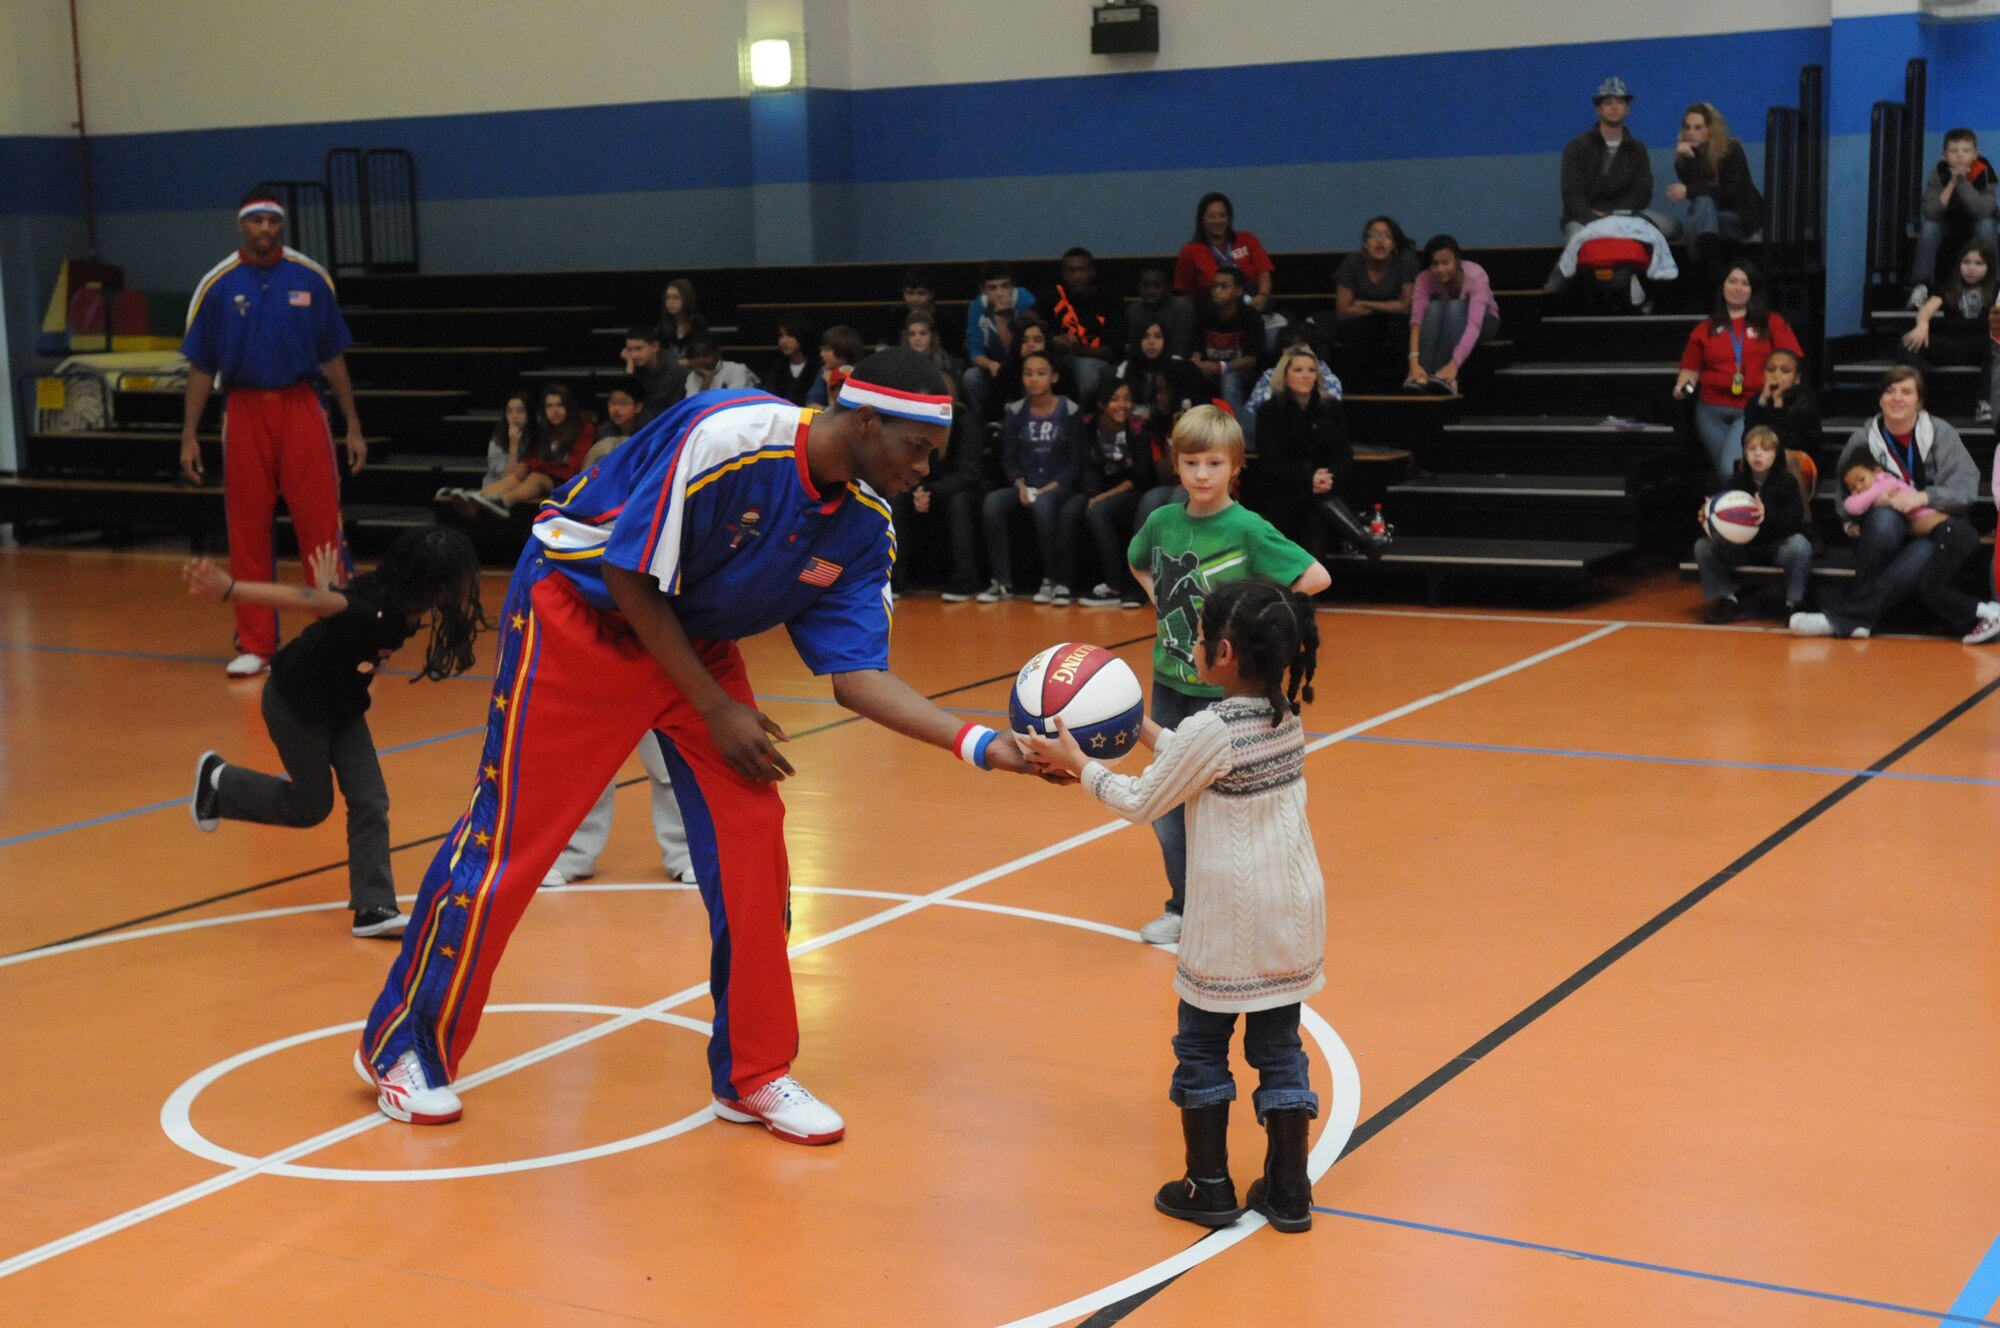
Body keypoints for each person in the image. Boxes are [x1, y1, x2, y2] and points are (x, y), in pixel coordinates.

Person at [357, 349, 1045, 1140]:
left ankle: (755, 1075)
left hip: (693, 642)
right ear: (864, 420)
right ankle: (402, 1049)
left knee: (753, 841)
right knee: (512, 839)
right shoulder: (731, 436)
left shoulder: (864, 523)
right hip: (581, 616)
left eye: (934, 455)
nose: (922, 470)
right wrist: (718, 709)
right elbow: (627, 576)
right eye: (916, 449)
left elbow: (858, 677)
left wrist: (988, 745)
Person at [1021, 576, 1325, 1235]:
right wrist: (1139, 729)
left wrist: (1079, 764)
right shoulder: (1282, 717)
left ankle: (1208, 1184)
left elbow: (1141, 800)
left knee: (1201, 1044)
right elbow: (1192, 758)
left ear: (1220, 652)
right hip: (1293, 916)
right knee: (1279, 1046)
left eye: (1194, 639)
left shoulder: (1211, 729)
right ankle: (1289, 1191)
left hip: (1231, 923)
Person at [184, 528, 486, 938]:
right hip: (297, 705)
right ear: (430, 583)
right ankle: (220, 782)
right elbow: (305, 600)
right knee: (311, 807)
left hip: (342, 707)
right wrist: (230, 589)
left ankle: (373, 908)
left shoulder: (401, 602)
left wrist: (329, 588)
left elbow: (333, 606)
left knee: (371, 800)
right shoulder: (373, 608)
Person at [1125, 404, 1332, 946]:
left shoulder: (1247, 528)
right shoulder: (1162, 521)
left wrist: (1252, 618)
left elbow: (1315, 576)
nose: (1200, 474)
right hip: (1171, 680)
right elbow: (1138, 560)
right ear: (1176, 462)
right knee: (1167, 803)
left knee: (1225, 807)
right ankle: (1183, 906)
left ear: (1235, 467)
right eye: (1191, 462)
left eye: (1214, 463)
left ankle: (1232, 908)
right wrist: (1162, 600)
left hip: (1225, 695)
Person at [179, 190, 367, 679]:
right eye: (256, 220)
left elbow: (333, 357)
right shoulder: (217, 285)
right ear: (241, 224)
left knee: (320, 525)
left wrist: (353, 425)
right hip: (242, 410)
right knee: (246, 527)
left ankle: (336, 637)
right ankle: (257, 644)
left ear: (280, 226)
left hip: (303, 406)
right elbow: (201, 366)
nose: (265, 229)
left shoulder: (311, 277)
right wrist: (188, 434)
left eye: (272, 221)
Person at [1791, 367, 1984, 641]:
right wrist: (1871, 504)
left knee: (1921, 552)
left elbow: (1965, 490)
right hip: (1881, 534)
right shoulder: (1862, 439)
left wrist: (1923, 497)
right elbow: (1843, 502)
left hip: (1931, 528)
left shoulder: (1942, 433)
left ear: (1919, 401)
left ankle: (1849, 619)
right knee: (1884, 518)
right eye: (1890, 391)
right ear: (1880, 400)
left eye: (1906, 392)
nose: (1897, 398)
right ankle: (1855, 618)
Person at [1248, 344, 1385, 560]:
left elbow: (1344, 456)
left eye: (1311, 370)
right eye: (1298, 370)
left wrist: (1328, 477)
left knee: (1315, 514)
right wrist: (1308, 478)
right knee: (1314, 507)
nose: (1306, 376)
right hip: (1286, 490)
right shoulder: (1270, 411)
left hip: (1326, 489)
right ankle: (1361, 537)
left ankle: (1310, 590)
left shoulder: (1331, 408)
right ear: (1284, 375)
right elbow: (1270, 463)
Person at [1674, 263, 1803, 482]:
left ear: (1753, 289)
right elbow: (1690, 370)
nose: (1737, 287)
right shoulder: (1705, 328)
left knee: (1731, 470)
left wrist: (1778, 387)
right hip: (1709, 411)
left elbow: (1791, 361)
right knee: (1731, 476)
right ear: (1723, 286)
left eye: (1745, 283)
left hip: (1751, 409)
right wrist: (1683, 388)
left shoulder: (1771, 322)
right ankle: (1741, 512)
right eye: (1732, 281)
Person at [978, 350, 1081, 604]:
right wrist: (1020, 483)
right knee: (992, 502)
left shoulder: (1069, 409)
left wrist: (1053, 486)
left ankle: (1051, 580)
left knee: (1044, 505)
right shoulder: (1015, 411)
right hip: (1027, 484)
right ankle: (1001, 581)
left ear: (1053, 377)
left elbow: (1076, 461)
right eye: (1028, 374)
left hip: (1060, 484)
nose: (1034, 379)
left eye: (1041, 373)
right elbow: (1010, 458)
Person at [1692, 426, 1811, 623]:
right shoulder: (1736, 482)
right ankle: (1727, 601)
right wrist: (1707, 519)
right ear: (1745, 453)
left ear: (1776, 454)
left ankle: (1795, 604)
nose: (1758, 454)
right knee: (1703, 546)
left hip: (1774, 546)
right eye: (1752, 449)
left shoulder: (1787, 481)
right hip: (1742, 548)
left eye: (1765, 449)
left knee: (1799, 546)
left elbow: (1794, 522)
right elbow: (1719, 523)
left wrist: (1767, 515)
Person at [1064, 378, 1156, 607]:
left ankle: (1115, 585)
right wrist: (1092, 494)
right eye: (1115, 399)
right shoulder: (1087, 425)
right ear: (1102, 403)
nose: (1122, 404)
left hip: (1132, 491)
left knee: (1098, 512)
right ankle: (1060, 584)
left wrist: (1101, 497)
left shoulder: (1139, 427)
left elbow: (1139, 476)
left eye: (1127, 399)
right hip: (1095, 489)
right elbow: (1085, 465)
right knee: (1069, 509)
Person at [1558, 78, 1678, 240]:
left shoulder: (1638, 150)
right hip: (1584, 219)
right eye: (1608, 103)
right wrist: (1594, 220)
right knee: (1578, 240)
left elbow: (1642, 193)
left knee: (1672, 227)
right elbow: (1572, 194)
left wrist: (1613, 216)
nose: (1614, 107)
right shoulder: (1577, 147)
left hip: (1627, 217)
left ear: (1627, 109)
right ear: (1598, 109)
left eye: (1620, 102)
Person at [1666, 103, 1764, 296]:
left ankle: (1701, 281)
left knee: (1699, 212)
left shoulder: (1732, 150)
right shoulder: (1684, 160)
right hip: (1711, 223)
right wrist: (1691, 160)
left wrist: (1688, 190)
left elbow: (1729, 192)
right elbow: (1699, 191)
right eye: (1687, 127)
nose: (1690, 133)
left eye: (1697, 127)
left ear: (1710, 129)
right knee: (1700, 210)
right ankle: (1714, 273)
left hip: (1739, 218)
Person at [1898, 238, 1999, 426]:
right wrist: (1922, 326)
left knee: (1992, 344)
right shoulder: (1950, 287)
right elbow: (1926, 310)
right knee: (1909, 342)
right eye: (1966, 262)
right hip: (1952, 344)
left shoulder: (1995, 289)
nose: (1971, 268)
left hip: (1979, 346)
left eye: (1978, 263)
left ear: (1989, 266)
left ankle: (1985, 402)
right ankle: (1912, 402)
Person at [462, 384, 594, 515]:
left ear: (569, 407)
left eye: (559, 405)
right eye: (549, 406)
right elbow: (533, 458)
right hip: (550, 478)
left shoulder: (584, 428)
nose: (554, 411)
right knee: (520, 472)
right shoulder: (545, 430)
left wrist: (536, 466)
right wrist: (530, 465)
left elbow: (572, 469)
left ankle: (503, 502)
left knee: (535, 477)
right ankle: (476, 497)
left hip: (571, 483)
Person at [1909, 129, 1999, 307]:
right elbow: (1931, 211)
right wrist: (1951, 183)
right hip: (1949, 223)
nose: (1960, 156)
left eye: (1966, 151)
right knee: (1929, 227)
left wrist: (1963, 182)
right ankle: (1921, 285)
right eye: (1954, 151)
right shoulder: (1938, 173)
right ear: (1944, 155)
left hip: (1976, 223)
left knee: (1987, 224)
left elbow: (1984, 210)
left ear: (1975, 154)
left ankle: (1994, 285)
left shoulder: (1985, 171)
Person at [1327, 216, 1418, 391]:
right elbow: (1343, 311)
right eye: (1374, 234)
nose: (1380, 240)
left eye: (1386, 235)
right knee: (1357, 329)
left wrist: (1366, 303)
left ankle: (1408, 387)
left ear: (1394, 244)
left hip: (1395, 319)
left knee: (1397, 327)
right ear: (1365, 243)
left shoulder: (1406, 262)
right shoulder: (1352, 263)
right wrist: (1389, 306)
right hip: (1363, 319)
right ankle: (1348, 392)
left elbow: (1406, 307)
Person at [1403, 235, 1499, 396]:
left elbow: (1474, 324)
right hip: (1446, 324)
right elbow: (1416, 322)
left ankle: (1448, 378)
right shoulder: (1424, 279)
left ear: (1457, 260)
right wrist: (1413, 363)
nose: (1440, 269)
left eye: (1446, 262)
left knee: (1454, 307)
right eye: (1435, 264)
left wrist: (1454, 364)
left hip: (1485, 323)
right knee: (1434, 308)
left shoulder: (1476, 275)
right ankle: (1422, 375)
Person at [1175, 192, 1275, 318]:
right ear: (1202, 220)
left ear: (1229, 218)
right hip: (1213, 312)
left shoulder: (1248, 240)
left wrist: (1262, 296)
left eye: (1222, 215)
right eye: (1211, 216)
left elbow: (1264, 273)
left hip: (1253, 305)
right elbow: (1188, 293)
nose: (1217, 221)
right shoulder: (1190, 251)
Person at [963, 263, 1038, 420]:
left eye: (1005, 286)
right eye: (993, 288)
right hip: (995, 365)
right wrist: (990, 364)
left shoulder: (1025, 301)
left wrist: (999, 316)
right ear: (983, 290)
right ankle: (983, 426)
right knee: (972, 377)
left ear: (1013, 286)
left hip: (1023, 365)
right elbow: (975, 352)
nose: (1000, 293)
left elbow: (1018, 350)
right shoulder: (977, 308)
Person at [1049, 247, 1124, 404]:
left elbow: (1109, 352)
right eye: (1071, 271)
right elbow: (1029, 318)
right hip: (1063, 362)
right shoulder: (1054, 295)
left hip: (1101, 366)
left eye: (1082, 270)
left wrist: (1076, 349)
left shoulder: (1110, 298)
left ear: (1092, 272)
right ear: (1063, 274)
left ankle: (1086, 419)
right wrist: (1054, 339)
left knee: (1085, 366)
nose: (1077, 276)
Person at [1193, 267, 1263, 420]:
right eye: (1214, 286)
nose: (1217, 291)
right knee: (1191, 374)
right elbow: (1197, 348)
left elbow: (1251, 361)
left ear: (1238, 291)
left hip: (1240, 372)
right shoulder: (1204, 313)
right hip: (1210, 370)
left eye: (1224, 286)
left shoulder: (1250, 317)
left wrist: (1221, 367)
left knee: (1229, 378)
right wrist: (1196, 361)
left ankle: (1234, 430)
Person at [1126, 266, 1196, 361]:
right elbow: (1135, 349)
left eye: (1157, 285)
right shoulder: (1133, 311)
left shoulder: (1182, 308)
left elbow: (1181, 352)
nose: (1150, 291)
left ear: (1168, 287)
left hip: (1176, 365)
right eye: (1145, 285)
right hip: (1143, 366)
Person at [621, 325, 683, 421]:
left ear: (655, 346)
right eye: (629, 350)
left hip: (667, 422)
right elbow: (625, 402)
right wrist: (629, 368)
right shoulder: (635, 369)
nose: (633, 355)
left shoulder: (675, 371)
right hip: (640, 423)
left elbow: (675, 409)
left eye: (638, 348)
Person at [476, 390, 535, 488]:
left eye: (520, 411)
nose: (514, 416)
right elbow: (508, 476)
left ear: (530, 413)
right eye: (509, 411)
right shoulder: (498, 437)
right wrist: (513, 445)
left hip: (528, 486)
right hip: (497, 485)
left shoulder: (539, 435)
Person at [581, 378, 643, 468]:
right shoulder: (601, 432)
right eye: (612, 403)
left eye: (623, 403)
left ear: (638, 407)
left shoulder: (648, 430)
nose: (616, 409)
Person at [765, 314, 821, 408]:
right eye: (781, 336)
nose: (784, 341)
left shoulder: (817, 366)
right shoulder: (778, 367)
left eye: (790, 335)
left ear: (802, 336)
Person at [677, 334, 759, 396]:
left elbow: (733, 402)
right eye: (696, 356)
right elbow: (696, 407)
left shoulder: (737, 369)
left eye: (705, 355)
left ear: (718, 353)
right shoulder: (692, 377)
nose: (700, 360)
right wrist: (706, 380)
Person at [806, 325, 866, 407]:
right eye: (822, 350)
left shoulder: (862, 372)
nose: (822, 354)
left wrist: (830, 390)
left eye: (826, 350)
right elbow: (812, 402)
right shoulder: (824, 371)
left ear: (842, 349)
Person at [900, 307, 962, 383]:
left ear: (932, 336)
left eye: (923, 333)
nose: (917, 339)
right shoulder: (900, 363)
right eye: (912, 334)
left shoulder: (945, 362)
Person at [658, 278, 709, 364]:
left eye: (676, 298)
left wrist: (690, 362)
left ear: (687, 300)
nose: (670, 302)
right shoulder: (664, 324)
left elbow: (705, 356)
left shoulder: (698, 324)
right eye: (667, 297)